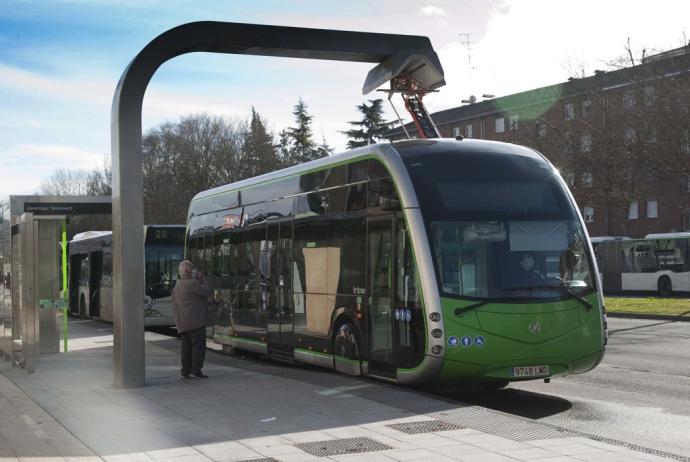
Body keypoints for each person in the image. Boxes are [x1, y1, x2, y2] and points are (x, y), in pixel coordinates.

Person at [172, 260, 212, 379]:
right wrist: (203, 278)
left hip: (183, 323)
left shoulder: (177, 285)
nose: (195, 271)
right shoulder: (192, 284)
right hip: (196, 322)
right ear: (187, 271)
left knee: (186, 349)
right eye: (193, 269)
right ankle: (196, 370)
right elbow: (207, 291)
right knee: (198, 348)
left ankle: (185, 371)